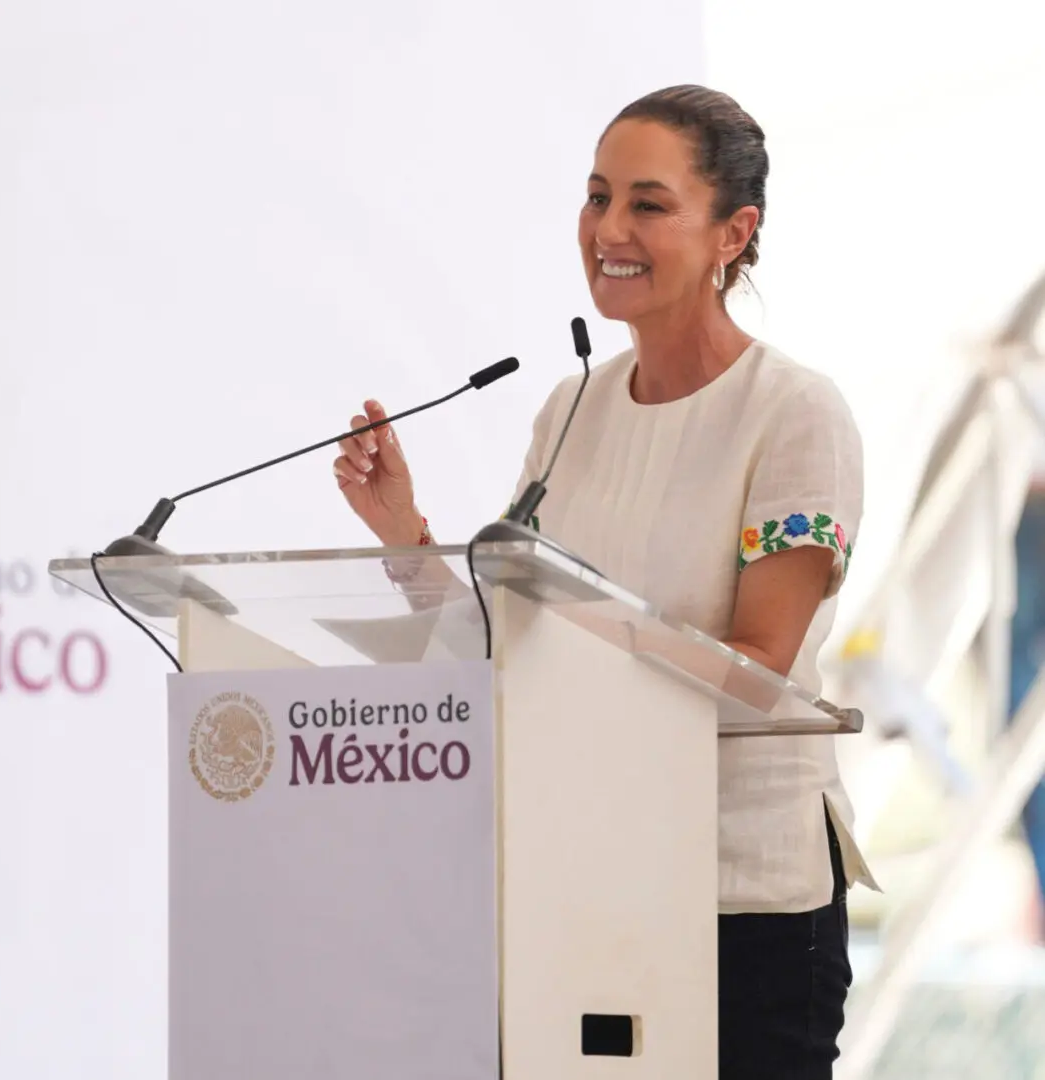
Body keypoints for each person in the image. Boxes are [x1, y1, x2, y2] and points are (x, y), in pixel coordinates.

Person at [331, 84, 874, 1079]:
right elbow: (507, 646)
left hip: (739, 906)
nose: (608, 229)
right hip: (582, 882)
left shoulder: (794, 413)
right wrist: (402, 534)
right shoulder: (569, 408)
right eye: (596, 197)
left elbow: (759, 671)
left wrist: (588, 625)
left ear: (732, 232)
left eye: (648, 204)